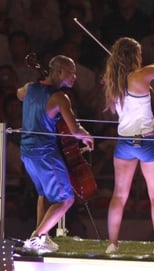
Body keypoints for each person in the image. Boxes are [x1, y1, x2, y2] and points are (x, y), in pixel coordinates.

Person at [103, 37, 154, 255]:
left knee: (119, 195)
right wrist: (145, 68)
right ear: (135, 56)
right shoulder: (140, 76)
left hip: (124, 141)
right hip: (147, 141)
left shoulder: (112, 81)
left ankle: (112, 244)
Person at [17, 55, 94, 254]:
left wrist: (37, 86)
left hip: (27, 152)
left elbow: (19, 94)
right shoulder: (60, 97)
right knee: (66, 199)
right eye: (71, 72)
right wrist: (87, 137)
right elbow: (74, 130)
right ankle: (35, 238)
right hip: (45, 154)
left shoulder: (29, 88)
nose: (75, 76)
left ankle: (42, 237)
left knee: (44, 194)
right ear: (59, 72)